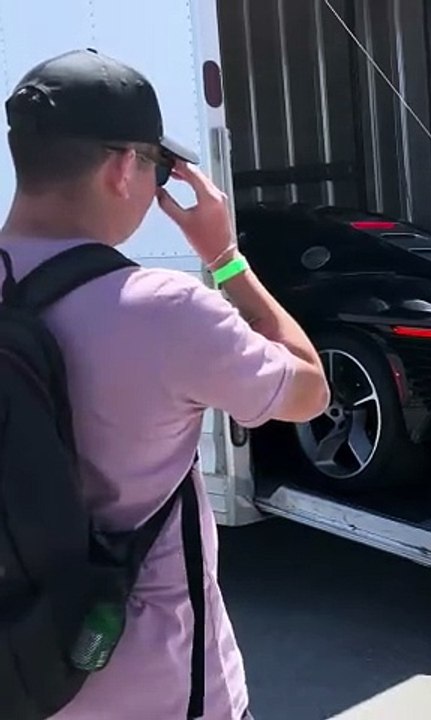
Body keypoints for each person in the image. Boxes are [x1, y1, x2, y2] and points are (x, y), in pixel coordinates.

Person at [0, 49, 329, 719]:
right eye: (155, 170)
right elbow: (310, 390)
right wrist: (226, 259)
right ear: (124, 168)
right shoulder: (165, 310)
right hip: (158, 688)